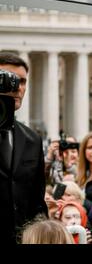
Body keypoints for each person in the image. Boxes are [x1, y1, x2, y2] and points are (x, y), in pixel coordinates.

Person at [0, 52, 47, 244]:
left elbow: (37, 203)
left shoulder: (32, 140)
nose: (18, 88)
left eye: (22, 81)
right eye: (10, 80)